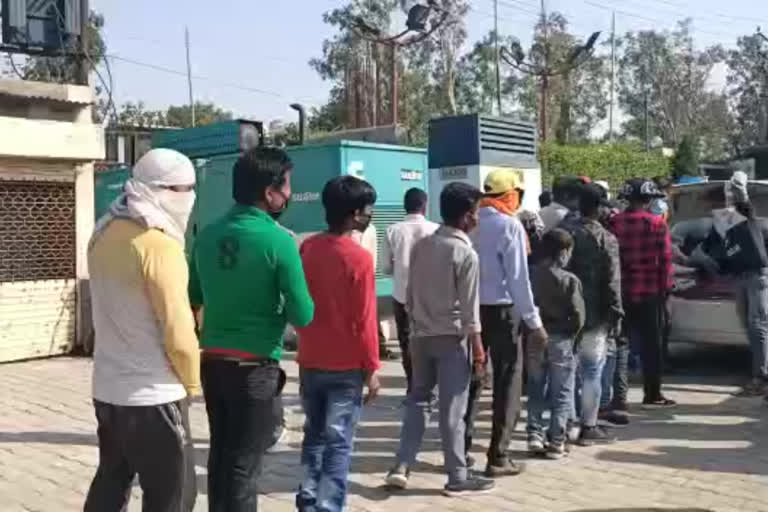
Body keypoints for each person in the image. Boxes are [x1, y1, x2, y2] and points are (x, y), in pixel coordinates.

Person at [189, 147, 315, 510]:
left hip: (213, 362)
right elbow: (303, 314)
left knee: (221, 458)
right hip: (255, 368)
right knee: (245, 467)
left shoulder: (207, 235)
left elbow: (193, 296)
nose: (289, 194)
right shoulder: (280, 241)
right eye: (287, 186)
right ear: (269, 192)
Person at [85, 148, 200, 512]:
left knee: (111, 482)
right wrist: (193, 384)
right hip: (155, 395)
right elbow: (178, 329)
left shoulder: (102, 231)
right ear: (162, 190)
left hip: (107, 389)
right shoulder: (159, 244)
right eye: (185, 189)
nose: (190, 198)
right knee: (174, 496)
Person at [385, 182, 494, 497]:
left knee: (418, 402)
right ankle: (457, 475)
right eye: (475, 213)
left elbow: (408, 295)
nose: (477, 220)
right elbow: (471, 310)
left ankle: (401, 466)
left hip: (420, 336)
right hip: (452, 338)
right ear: (464, 217)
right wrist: (478, 351)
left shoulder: (423, 246)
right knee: (453, 410)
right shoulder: (464, 253)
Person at [296, 175, 381, 512]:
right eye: (367, 210)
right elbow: (365, 321)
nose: (369, 215)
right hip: (346, 367)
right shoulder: (358, 259)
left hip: (310, 358)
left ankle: (306, 501)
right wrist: (372, 368)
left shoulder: (308, 248)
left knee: (313, 439)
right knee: (339, 445)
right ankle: (329, 506)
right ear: (354, 214)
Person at [465, 169, 548, 478]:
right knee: (507, 383)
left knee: (471, 381)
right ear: (510, 195)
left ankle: (461, 450)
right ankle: (498, 456)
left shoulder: (471, 222)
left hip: (473, 312)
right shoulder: (509, 225)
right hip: (504, 313)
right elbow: (518, 280)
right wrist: (534, 322)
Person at [561, 184, 625, 439]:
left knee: (567, 372)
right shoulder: (606, 239)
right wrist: (617, 312)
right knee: (592, 371)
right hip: (595, 315)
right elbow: (612, 281)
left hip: (564, 312)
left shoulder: (563, 233)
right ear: (599, 208)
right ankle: (588, 425)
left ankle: (566, 425)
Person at [610, 179, 675, 408]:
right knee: (652, 345)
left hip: (621, 293)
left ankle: (618, 398)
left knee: (620, 345)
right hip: (651, 293)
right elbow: (666, 261)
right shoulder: (657, 224)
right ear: (648, 200)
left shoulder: (614, 223)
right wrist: (666, 291)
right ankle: (652, 394)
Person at [528, 228, 585, 459]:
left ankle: (534, 434)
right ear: (563, 252)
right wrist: (575, 337)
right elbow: (579, 315)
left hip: (535, 336)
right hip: (562, 339)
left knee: (535, 388)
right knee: (562, 391)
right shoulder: (570, 280)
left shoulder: (531, 275)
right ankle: (557, 440)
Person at [381, 187, 439, 393]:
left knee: (407, 343)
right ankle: (428, 385)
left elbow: (385, 267)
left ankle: (412, 385)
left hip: (402, 295)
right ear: (424, 205)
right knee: (430, 341)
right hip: (430, 298)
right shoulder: (435, 230)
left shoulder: (392, 230)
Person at [352, 222, 400, 361]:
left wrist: (370, 276)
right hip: (349, 279)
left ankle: (379, 347)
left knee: (370, 315)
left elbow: (372, 253)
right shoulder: (346, 230)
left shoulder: (370, 229)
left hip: (366, 278)